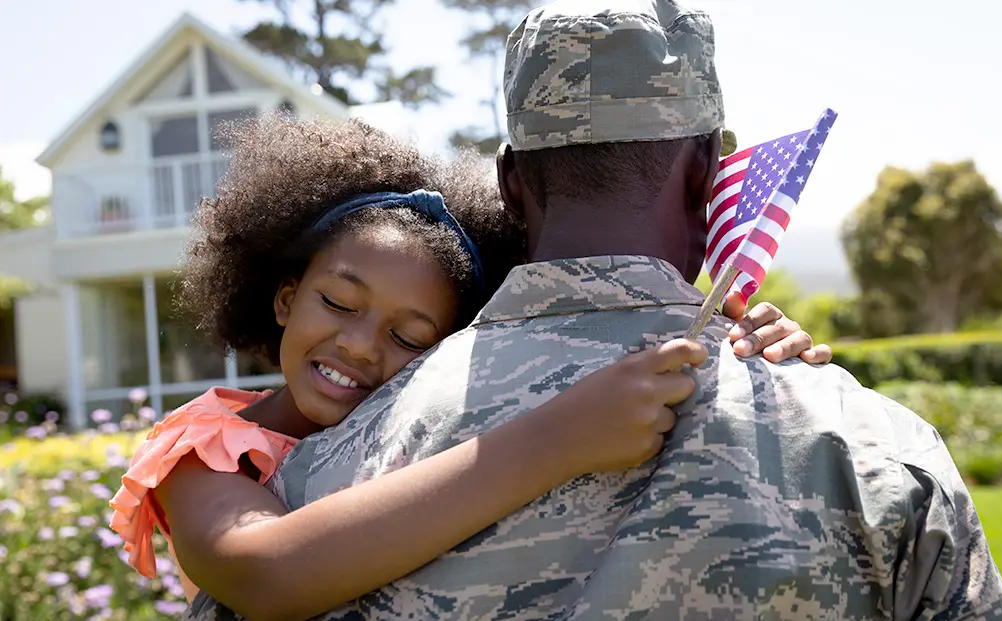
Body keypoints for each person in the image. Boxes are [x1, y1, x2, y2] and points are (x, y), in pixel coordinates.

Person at [183, 1, 1002, 619]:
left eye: (405, 331)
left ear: (511, 186)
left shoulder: (315, 480)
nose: (369, 347)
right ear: (705, 176)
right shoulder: (869, 445)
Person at [106, 116, 822, 620]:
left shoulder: (431, 415)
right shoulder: (205, 447)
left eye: (411, 337)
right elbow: (266, 574)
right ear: (286, 296)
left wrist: (750, 333)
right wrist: (559, 438)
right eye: (337, 301)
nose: (359, 345)